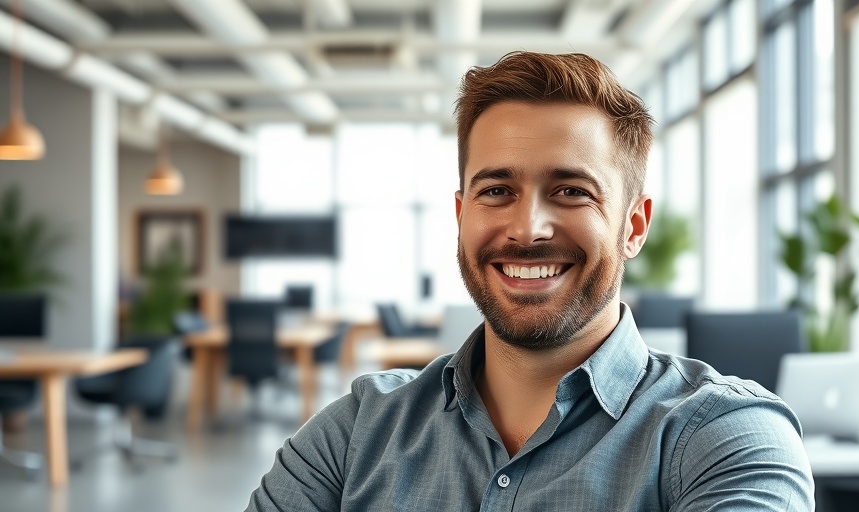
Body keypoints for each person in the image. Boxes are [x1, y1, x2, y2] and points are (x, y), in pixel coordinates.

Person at [245, 51, 814, 511]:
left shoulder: (724, 440)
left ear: (633, 226)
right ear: (462, 214)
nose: (527, 229)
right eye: (496, 191)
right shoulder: (356, 432)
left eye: (571, 191)